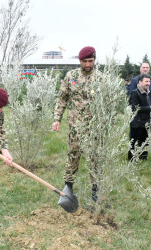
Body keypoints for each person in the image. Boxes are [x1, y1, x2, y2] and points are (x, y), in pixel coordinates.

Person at [52, 46, 103, 201]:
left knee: (95, 157)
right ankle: (68, 186)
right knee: (73, 156)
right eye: (84, 61)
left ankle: (95, 189)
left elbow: (107, 102)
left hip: (94, 127)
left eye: (90, 61)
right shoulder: (71, 76)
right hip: (75, 126)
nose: (87, 64)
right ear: (79, 61)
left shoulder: (101, 78)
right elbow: (62, 98)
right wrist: (57, 118)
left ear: (94, 60)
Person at [128, 74, 151, 160]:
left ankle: (143, 157)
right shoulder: (135, 93)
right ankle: (132, 159)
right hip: (137, 121)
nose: (148, 83)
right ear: (140, 82)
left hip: (147, 121)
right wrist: (150, 108)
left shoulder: (150, 92)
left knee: (145, 141)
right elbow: (134, 108)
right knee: (134, 142)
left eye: (149, 81)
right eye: (146, 81)